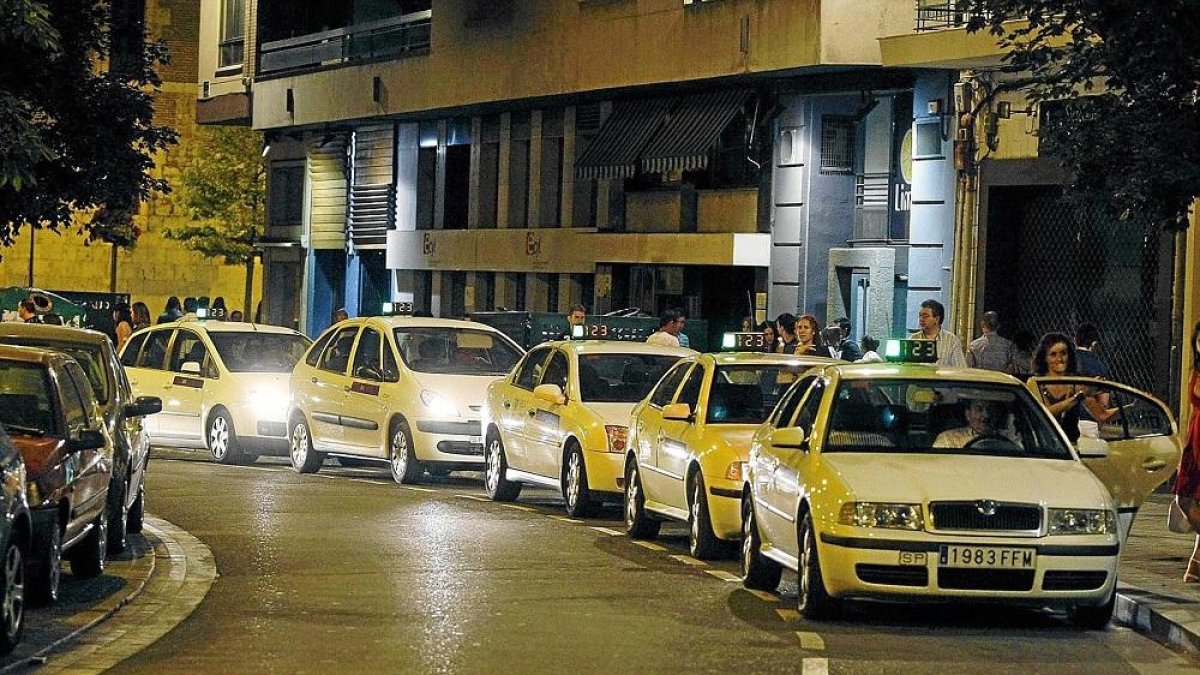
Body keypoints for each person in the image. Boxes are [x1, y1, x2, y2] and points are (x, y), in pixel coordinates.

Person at [1029, 332, 1115, 443]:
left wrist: (1133, 407)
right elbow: (1044, 414)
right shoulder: (1035, 382)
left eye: (1063, 353)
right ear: (1044, 358)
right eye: (1053, 354)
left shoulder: (1075, 382)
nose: (1059, 359)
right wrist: (1077, 398)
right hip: (1044, 447)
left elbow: (1102, 416)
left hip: (1070, 448)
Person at [1173, 322, 1200, 582]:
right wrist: (1186, 445)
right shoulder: (1196, 370)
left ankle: (1195, 565)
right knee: (1184, 497)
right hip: (1195, 439)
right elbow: (1193, 410)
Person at [933, 398, 1014, 448]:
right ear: (968, 414)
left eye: (990, 409)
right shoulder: (948, 439)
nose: (986, 415)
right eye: (979, 409)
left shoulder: (1007, 440)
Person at [910, 299, 967, 367]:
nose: (921, 319)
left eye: (925, 316)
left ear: (937, 319)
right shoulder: (913, 339)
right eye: (920, 316)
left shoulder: (952, 340)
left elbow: (960, 368)